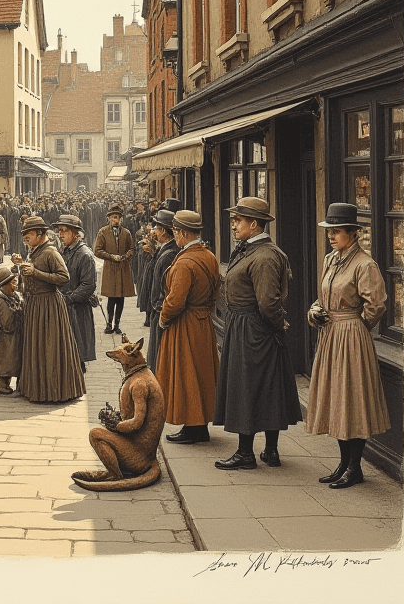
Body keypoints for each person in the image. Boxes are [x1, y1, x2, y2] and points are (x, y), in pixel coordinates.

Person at [305, 202, 391, 488]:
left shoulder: (365, 264)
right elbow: (324, 295)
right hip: (330, 335)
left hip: (351, 338)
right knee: (337, 400)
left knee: (353, 399)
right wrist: (315, 311)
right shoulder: (331, 260)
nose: (331, 236)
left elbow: (376, 305)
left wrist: (355, 325)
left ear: (353, 233)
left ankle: (355, 467)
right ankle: (344, 463)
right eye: (329, 231)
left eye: (337, 231)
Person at [213, 196, 302, 470]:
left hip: (253, 328)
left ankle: (246, 453)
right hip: (247, 325)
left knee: (249, 387)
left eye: (238, 220)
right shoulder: (250, 249)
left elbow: (268, 302)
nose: (233, 224)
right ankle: (269, 452)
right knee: (263, 386)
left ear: (254, 224)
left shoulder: (265, 255)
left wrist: (276, 327)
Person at [155, 210, 221, 445]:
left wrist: (163, 319)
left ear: (182, 233)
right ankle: (198, 426)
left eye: (176, 232)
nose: (175, 237)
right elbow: (216, 291)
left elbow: (174, 301)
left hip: (185, 323)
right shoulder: (209, 256)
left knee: (185, 375)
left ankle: (193, 427)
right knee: (201, 374)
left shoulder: (184, 262)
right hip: (203, 321)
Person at [15, 214, 86, 404]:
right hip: (35, 305)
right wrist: (22, 268)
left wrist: (35, 272)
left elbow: (64, 277)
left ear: (39, 234)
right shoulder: (35, 251)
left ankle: (53, 392)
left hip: (49, 306)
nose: (25, 238)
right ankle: (35, 389)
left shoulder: (50, 252)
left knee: (49, 348)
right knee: (36, 347)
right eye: (24, 235)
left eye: (28, 234)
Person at [54, 213, 97, 373]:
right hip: (65, 307)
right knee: (66, 352)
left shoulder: (85, 255)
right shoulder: (65, 251)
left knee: (77, 353)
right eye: (59, 230)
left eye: (64, 230)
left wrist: (68, 300)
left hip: (77, 309)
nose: (61, 234)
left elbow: (88, 285)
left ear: (76, 234)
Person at [94, 205, 136, 334]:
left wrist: (125, 256)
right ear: (109, 219)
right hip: (110, 268)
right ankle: (108, 323)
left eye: (118, 218)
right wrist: (111, 256)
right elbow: (97, 250)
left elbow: (132, 249)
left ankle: (117, 324)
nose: (116, 220)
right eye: (113, 217)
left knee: (121, 297)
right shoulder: (103, 232)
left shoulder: (126, 233)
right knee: (111, 297)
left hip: (123, 268)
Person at [145, 209, 178, 373]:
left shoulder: (169, 254)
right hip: (158, 310)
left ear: (164, 231)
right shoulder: (165, 249)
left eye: (156, 228)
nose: (154, 231)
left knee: (159, 355)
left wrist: (159, 309)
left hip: (161, 311)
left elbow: (166, 288)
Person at [0, 263, 24, 395]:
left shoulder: (15, 297)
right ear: (6, 284)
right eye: (13, 283)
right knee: (4, 361)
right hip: (5, 337)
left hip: (17, 334)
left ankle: (20, 382)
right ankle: (3, 384)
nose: (15, 285)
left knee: (17, 359)